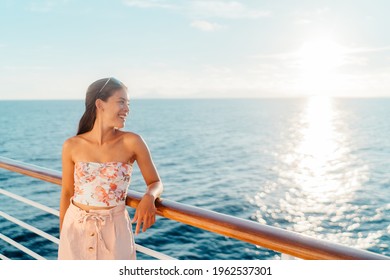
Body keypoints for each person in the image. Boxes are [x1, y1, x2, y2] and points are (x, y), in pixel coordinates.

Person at [58, 77, 163, 260]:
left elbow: (155, 182)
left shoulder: (132, 142)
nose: (127, 109)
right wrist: (63, 235)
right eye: (121, 102)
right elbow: (67, 192)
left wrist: (150, 196)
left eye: (128, 103)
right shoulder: (72, 145)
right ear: (100, 104)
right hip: (74, 228)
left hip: (115, 232)